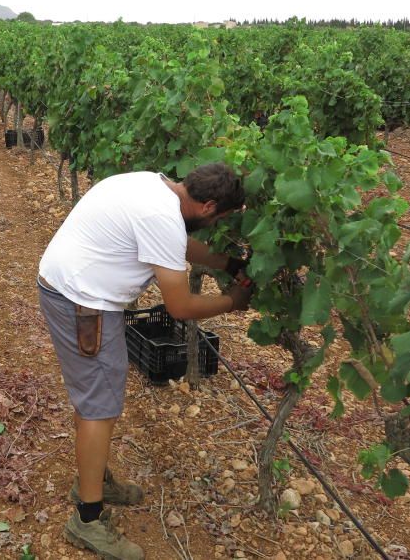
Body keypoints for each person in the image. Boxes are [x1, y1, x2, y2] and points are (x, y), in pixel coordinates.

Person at [37, 163, 253, 560]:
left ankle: (93, 480)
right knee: (98, 408)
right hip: (82, 302)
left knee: (98, 400)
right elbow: (180, 306)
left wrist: (228, 264)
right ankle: (86, 518)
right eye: (220, 217)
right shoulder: (163, 218)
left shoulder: (152, 185)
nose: (217, 222)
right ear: (207, 207)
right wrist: (232, 302)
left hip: (77, 291)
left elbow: (176, 245)